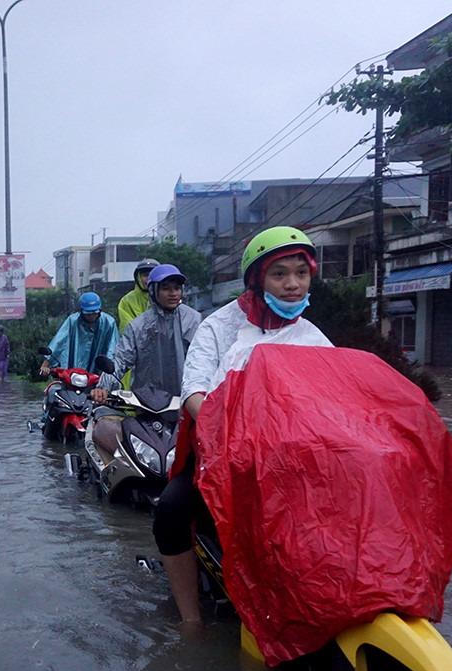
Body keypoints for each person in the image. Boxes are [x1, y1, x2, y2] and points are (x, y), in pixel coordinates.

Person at [154, 226, 333, 626]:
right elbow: (194, 393)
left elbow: (337, 402)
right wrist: (232, 427)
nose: (293, 284)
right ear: (257, 278)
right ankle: (190, 619)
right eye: (280, 273)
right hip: (223, 456)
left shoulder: (314, 338)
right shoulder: (219, 327)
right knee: (170, 509)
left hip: (291, 462)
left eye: (301, 273)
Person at [91, 264, 201, 402]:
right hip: (146, 404)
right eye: (166, 288)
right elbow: (121, 359)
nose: (173, 293)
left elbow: (204, 359)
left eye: (177, 288)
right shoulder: (138, 326)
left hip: (187, 401)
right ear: (153, 291)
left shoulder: (193, 319)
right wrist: (103, 386)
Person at [39, 292, 118, 376]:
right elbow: (59, 342)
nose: (91, 316)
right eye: (88, 314)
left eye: (94, 313)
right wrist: (46, 365)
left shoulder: (109, 323)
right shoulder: (72, 321)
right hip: (72, 376)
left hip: (99, 377)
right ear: (81, 311)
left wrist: (110, 369)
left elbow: (112, 349)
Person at [117, 258, 161, 329]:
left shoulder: (167, 297)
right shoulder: (127, 301)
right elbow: (128, 328)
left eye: (152, 275)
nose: (149, 278)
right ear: (138, 278)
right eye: (145, 275)